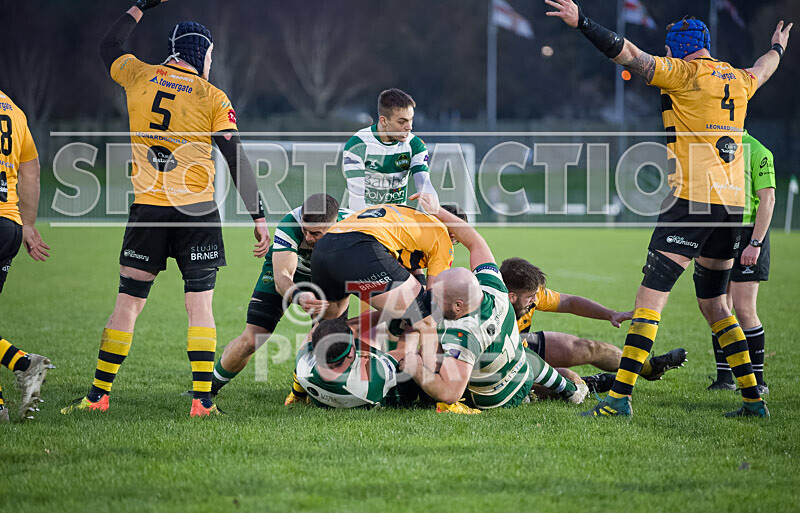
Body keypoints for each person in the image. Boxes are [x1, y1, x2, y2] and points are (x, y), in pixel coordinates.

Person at [546, 0, 791, 417]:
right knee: (716, 305)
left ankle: (618, 399)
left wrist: (582, 22)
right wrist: (779, 48)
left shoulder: (682, 74)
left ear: (678, 49)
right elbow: (764, 66)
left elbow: (627, 53)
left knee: (649, 304)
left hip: (692, 204)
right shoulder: (738, 78)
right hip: (732, 209)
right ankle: (753, 400)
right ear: (707, 45)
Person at [62, 0, 269, 417]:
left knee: (128, 303)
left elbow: (109, 45)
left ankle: (98, 397)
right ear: (201, 54)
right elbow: (234, 158)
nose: (211, 62)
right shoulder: (212, 96)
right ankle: (201, 402)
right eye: (210, 55)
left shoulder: (138, 75)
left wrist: (140, 6)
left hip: (148, 213)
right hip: (197, 214)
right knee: (200, 306)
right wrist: (258, 216)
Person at [402, 197, 588, 409]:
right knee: (522, 353)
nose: (431, 302)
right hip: (522, 372)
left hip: (493, 399)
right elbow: (476, 242)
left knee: (430, 355)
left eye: (437, 299)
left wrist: (416, 367)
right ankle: (569, 390)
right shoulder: (495, 288)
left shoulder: (462, 332)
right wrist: (438, 211)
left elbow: (450, 393)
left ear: (458, 306)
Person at [208, 193, 349, 400]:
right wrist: (300, 296)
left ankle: (300, 392)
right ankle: (207, 388)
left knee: (327, 337)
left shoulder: (351, 226)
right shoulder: (289, 225)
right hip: (288, 275)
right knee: (253, 337)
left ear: (333, 225)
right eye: (306, 231)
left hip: (327, 276)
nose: (309, 238)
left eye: (316, 233)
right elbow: (282, 278)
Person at [499, 257, 686, 392]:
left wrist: (610, 314)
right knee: (565, 378)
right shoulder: (490, 311)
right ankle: (587, 384)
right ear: (511, 297)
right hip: (501, 362)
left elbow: (569, 302)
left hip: (522, 344)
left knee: (589, 347)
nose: (535, 300)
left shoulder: (530, 295)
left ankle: (649, 368)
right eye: (531, 297)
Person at [0, 90, 53, 423]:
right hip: (8, 225)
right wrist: (28, 225)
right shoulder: (13, 110)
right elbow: (31, 170)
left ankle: (25, 363)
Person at [709, 131, 775, 394]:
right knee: (719, 306)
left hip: (749, 234)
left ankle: (757, 382)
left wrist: (756, 243)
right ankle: (724, 378)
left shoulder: (758, 151)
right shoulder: (711, 149)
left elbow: (767, 199)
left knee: (744, 309)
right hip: (721, 233)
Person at [343, 89, 439, 211]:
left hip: (397, 218)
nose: (409, 127)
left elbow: (424, 185)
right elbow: (357, 198)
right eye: (401, 122)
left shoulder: (415, 145)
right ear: (383, 121)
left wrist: (436, 213)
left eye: (411, 119)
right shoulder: (357, 145)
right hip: (365, 218)